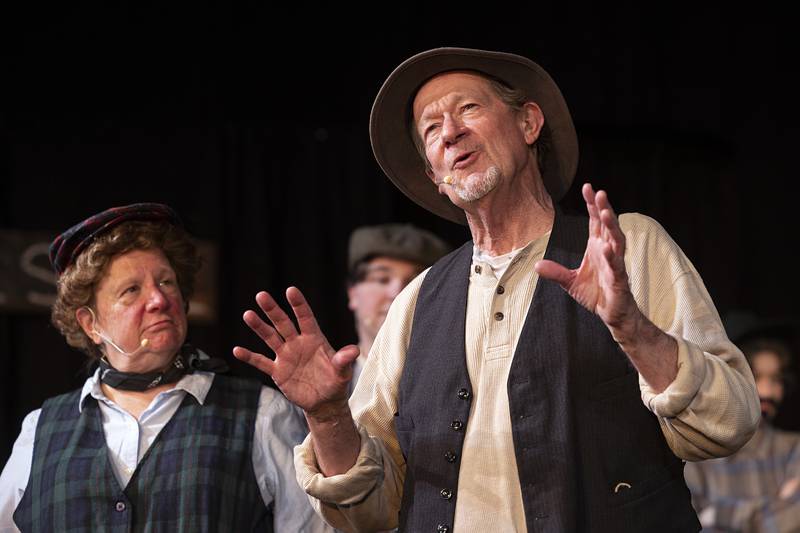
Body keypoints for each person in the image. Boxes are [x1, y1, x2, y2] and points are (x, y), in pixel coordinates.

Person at [233, 48, 760, 532]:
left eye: (468, 109)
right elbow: (369, 507)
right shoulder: (417, 302)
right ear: (434, 175)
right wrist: (327, 417)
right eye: (431, 128)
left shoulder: (628, 244)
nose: (450, 133)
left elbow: (728, 423)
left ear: (529, 123)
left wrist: (632, 329)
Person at [0, 203, 333, 532]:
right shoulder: (39, 430)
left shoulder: (263, 415)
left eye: (166, 282)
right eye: (131, 290)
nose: (159, 300)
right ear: (91, 324)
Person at [685, 320, 800, 531]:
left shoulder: (793, 447)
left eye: (776, 379)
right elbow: (690, 523)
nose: (767, 390)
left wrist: (716, 514)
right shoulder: (700, 453)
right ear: (733, 379)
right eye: (756, 377)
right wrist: (779, 505)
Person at [345, 223, 450, 392]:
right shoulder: (319, 384)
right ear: (352, 294)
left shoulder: (454, 383)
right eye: (382, 279)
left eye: (413, 283)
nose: (398, 293)